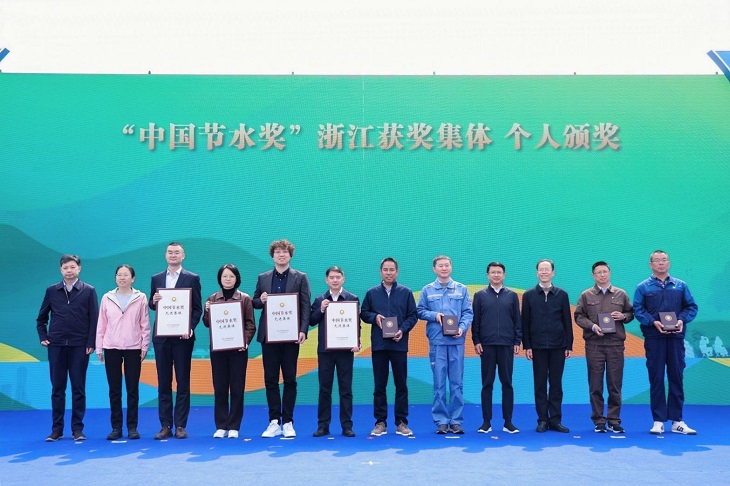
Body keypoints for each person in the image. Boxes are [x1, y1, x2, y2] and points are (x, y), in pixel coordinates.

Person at [633, 250, 698, 435]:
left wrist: (681, 320)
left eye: (664, 260)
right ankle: (658, 421)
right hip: (654, 338)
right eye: (657, 260)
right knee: (656, 377)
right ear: (651, 264)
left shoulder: (680, 285)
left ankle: (677, 421)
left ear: (668, 263)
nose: (661, 263)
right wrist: (653, 322)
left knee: (676, 376)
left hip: (676, 338)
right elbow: (638, 309)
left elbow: (691, 307)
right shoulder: (643, 287)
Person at [37, 254, 99, 442]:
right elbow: (41, 318)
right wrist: (44, 337)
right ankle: (56, 429)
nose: (69, 271)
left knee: (78, 388)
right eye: (65, 268)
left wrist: (91, 342)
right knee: (58, 388)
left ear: (79, 269)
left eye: (72, 267)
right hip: (56, 346)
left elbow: (94, 319)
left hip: (80, 346)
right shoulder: (52, 290)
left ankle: (77, 429)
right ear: (61, 270)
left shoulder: (89, 290)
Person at [253, 239, 311, 438]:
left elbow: (305, 305)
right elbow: (254, 302)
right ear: (273, 256)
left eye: (285, 251)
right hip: (269, 336)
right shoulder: (263, 278)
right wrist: (260, 300)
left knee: (290, 379)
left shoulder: (300, 277)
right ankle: (274, 421)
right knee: (270, 380)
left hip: (291, 336)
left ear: (290, 255)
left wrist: (303, 330)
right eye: (277, 252)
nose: (281, 255)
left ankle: (288, 421)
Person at [149, 241, 203, 440]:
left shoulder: (192, 278)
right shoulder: (156, 278)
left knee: (182, 382)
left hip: (182, 338)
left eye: (176, 252)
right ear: (165, 255)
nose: (173, 255)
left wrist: (190, 327)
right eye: (170, 252)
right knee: (163, 382)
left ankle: (180, 425)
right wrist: (153, 301)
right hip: (162, 338)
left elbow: (197, 308)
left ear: (183, 256)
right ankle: (165, 425)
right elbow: (152, 304)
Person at [574, 261, 634, 434]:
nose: (602, 275)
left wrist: (623, 316)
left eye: (605, 271)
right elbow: (578, 316)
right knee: (595, 384)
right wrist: (592, 326)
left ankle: (614, 420)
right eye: (598, 272)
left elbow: (631, 313)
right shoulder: (586, 295)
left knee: (615, 384)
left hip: (616, 344)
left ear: (609, 273)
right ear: (593, 275)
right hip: (594, 344)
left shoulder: (621, 294)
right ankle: (599, 420)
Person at [361, 257, 418, 437]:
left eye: (392, 269)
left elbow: (413, 315)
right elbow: (364, 313)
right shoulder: (372, 293)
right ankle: (380, 422)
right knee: (380, 385)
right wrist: (375, 317)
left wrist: (402, 330)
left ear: (397, 271)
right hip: (379, 345)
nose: (388, 273)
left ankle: (401, 422)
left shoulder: (406, 292)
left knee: (401, 385)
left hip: (399, 344)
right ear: (380, 272)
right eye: (385, 270)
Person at [417, 255, 473, 434]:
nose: (444, 268)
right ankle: (441, 421)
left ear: (451, 267)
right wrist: (435, 316)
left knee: (457, 383)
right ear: (434, 269)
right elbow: (419, 311)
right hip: (437, 343)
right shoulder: (427, 290)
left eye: (447, 265)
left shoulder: (461, 289)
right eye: (440, 266)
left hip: (456, 341)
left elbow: (468, 313)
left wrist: (462, 328)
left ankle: (456, 421)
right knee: (439, 383)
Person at [96, 264, 151, 440]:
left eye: (126, 275)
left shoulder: (140, 297)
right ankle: (116, 427)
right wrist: (99, 346)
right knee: (114, 390)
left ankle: (132, 427)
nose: (122, 277)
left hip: (133, 347)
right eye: (119, 274)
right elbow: (101, 324)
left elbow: (144, 324)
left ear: (132, 279)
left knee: (132, 389)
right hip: (111, 347)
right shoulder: (107, 297)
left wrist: (144, 346)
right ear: (115, 278)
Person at [202, 264, 256, 439]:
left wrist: (245, 342)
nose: (228, 279)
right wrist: (207, 311)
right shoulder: (212, 298)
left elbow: (250, 324)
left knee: (237, 389)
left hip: (238, 351)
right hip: (218, 350)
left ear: (236, 279)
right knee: (220, 388)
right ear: (220, 278)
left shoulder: (244, 298)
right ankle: (221, 425)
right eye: (224, 276)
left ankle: (234, 426)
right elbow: (207, 323)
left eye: (231, 276)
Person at [521, 259, 573, 433]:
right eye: (541, 270)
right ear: (537, 273)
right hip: (537, 347)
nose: (544, 272)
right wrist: (527, 346)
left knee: (556, 385)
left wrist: (569, 344)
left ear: (553, 273)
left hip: (558, 346)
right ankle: (542, 420)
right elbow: (525, 322)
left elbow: (567, 321)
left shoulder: (562, 294)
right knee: (540, 385)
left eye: (547, 269)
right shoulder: (528, 295)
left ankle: (556, 420)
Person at [309, 266, 360, 438]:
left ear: (343, 279)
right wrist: (321, 309)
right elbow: (311, 321)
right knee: (325, 389)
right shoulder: (320, 299)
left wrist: (357, 341)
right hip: (326, 351)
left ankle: (347, 426)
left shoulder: (352, 298)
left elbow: (356, 323)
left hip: (346, 350)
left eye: (338, 277)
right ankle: (323, 425)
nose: (335, 280)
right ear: (326, 280)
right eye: (331, 277)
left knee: (346, 389)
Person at [471, 262, 521, 434]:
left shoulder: (512, 296)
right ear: (488, 275)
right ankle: (486, 422)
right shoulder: (480, 295)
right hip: (486, 346)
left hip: (507, 345)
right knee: (487, 384)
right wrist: (476, 340)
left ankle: (508, 422)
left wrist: (517, 341)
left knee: (507, 383)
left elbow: (517, 320)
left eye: (499, 272)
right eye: (493, 272)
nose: (496, 275)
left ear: (504, 275)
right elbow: (476, 320)